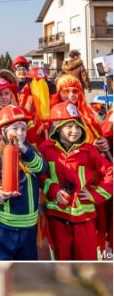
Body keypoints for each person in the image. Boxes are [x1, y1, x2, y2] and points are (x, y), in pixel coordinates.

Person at [38, 101, 113, 259]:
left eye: (78, 126)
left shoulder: (89, 150)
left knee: (87, 261)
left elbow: (110, 172)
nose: (75, 131)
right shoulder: (45, 148)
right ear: (58, 128)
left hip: (84, 219)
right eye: (69, 126)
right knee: (62, 262)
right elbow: (40, 175)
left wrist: (96, 194)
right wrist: (54, 190)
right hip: (56, 217)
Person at [0, 106, 45, 260]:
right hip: (2, 224)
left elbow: (41, 168)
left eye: (23, 129)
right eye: (15, 129)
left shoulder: (32, 152)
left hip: (28, 225)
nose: (20, 133)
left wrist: (25, 150)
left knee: (26, 265)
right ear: (3, 132)